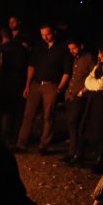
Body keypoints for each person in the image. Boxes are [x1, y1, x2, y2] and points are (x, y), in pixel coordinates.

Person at [15, 25, 70, 154]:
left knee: (48, 116)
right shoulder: (39, 46)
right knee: (28, 114)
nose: (45, 37)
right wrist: (28, 85)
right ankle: (21, 143)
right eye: (42, 35)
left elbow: (67, 71)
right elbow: (31, 66)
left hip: (51, 85)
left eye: (48, 34)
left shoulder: (62, 48)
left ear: (54, 32)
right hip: (36, 84)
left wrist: (60, 88)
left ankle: (44, 145)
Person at [62, 39, 96, 165]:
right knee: (71, 124)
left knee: (74, 123)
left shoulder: (89, 58)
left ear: (81, 46)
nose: (72, 51)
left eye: (74, 48)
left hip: (80, 96)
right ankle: (72, 152)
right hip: (70, 95)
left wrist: (83, 91)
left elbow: (94, 75)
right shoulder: (75, 58)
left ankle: (77, 153)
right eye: (70, 49)